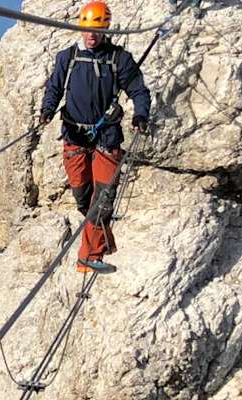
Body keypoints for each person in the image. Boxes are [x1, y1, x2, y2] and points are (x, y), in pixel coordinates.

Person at [39, 1, 151, 274]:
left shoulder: (118, 59)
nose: (92, 35)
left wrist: (141, 115)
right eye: (88, 30)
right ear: (80, 27)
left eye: (97, 31)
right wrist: (46, 109)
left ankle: (89, 255)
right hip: (75, 135)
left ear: (105, 30)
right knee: (82, 196)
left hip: (106, 137)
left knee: (103, 198)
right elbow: (55, 87)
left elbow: (139, 90)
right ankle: (102, 236)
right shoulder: (68, 57)